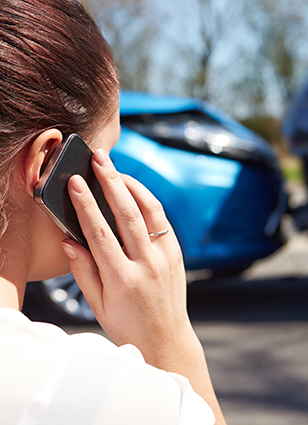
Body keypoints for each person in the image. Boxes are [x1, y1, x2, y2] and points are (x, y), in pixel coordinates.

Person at [0, 1, 226, 424]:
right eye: (107, 154)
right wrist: (171, 344)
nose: (112, 180)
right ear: (48, 162)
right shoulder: (109, 396)